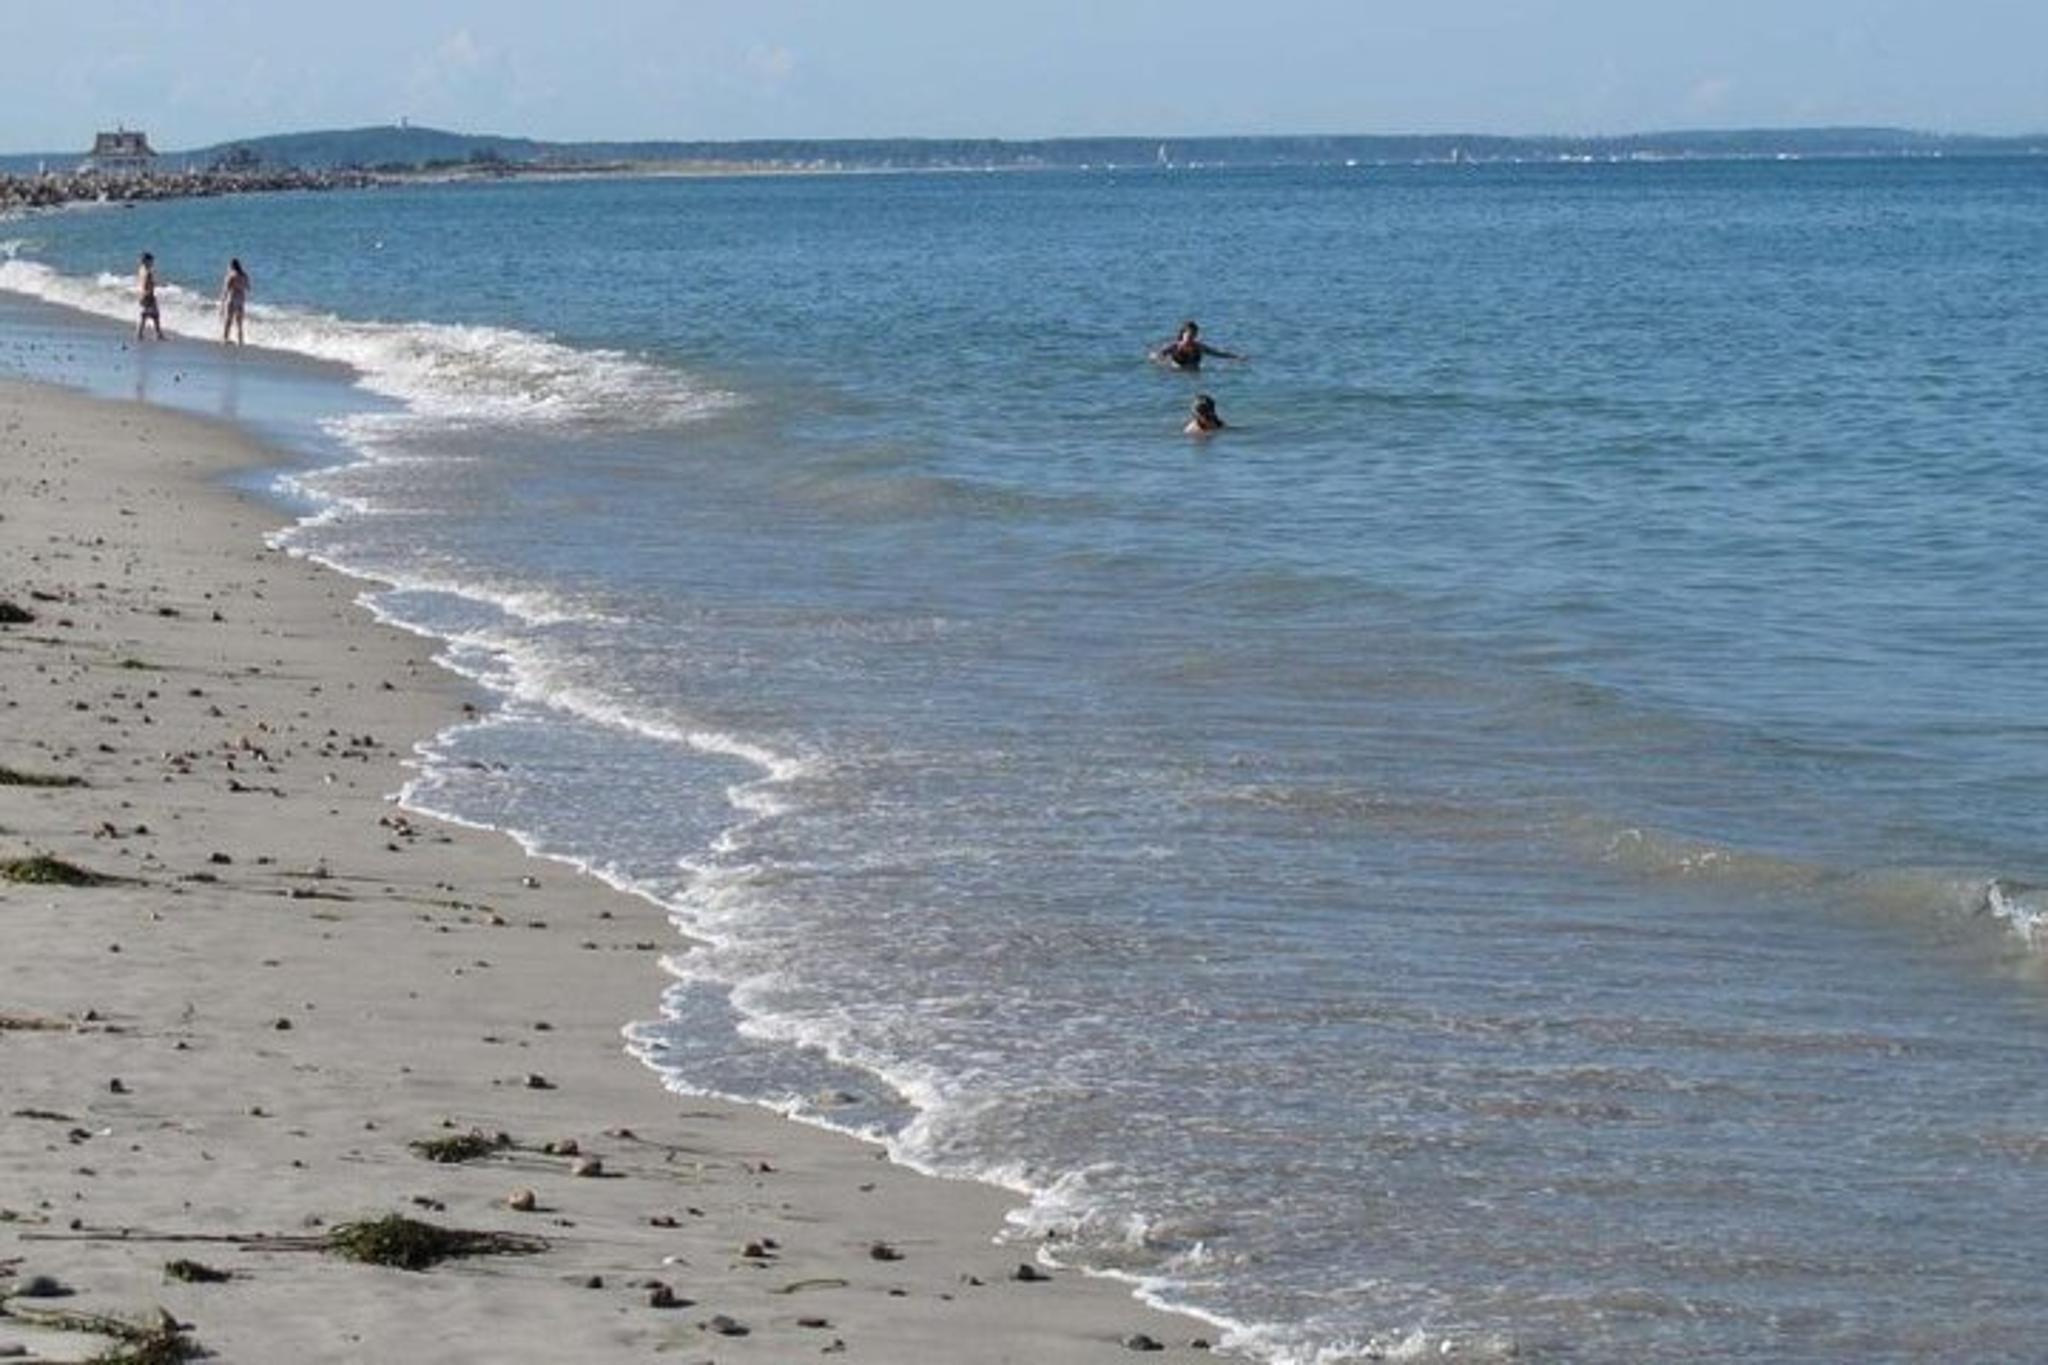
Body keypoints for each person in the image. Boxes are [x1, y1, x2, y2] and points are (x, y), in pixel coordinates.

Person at [1156, 319, 1240, 370]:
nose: (1192, 338)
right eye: (1190, 335)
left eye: (1194, 335)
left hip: (1195, 374)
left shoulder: (1199, 347)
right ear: (1183, 334)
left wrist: (1236, 357)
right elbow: (1157, 356)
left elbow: (1217, 353)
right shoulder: (1174, 347)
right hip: (1178, 374)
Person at [219, 258, 250, 346]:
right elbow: (248, 288)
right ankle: (240, 340)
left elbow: (226, 290)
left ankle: (225, 338)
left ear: (232, 266)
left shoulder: (231, 276)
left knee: (228, 320)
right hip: (241, 300)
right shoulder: (244, 275)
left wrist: (222, 302)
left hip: (232, 299)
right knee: (239, 322)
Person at [136, 252, 163, 341]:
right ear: (147, 261)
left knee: (148, 315)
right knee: (153, 315)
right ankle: (157, 335)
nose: (152, 263)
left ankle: (142, 334)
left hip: (142, 294)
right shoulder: (148, 272)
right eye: (151, 261)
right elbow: (147, 284)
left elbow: (142, 283)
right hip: (148, 294)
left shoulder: (141, 269)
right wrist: (149, 294)